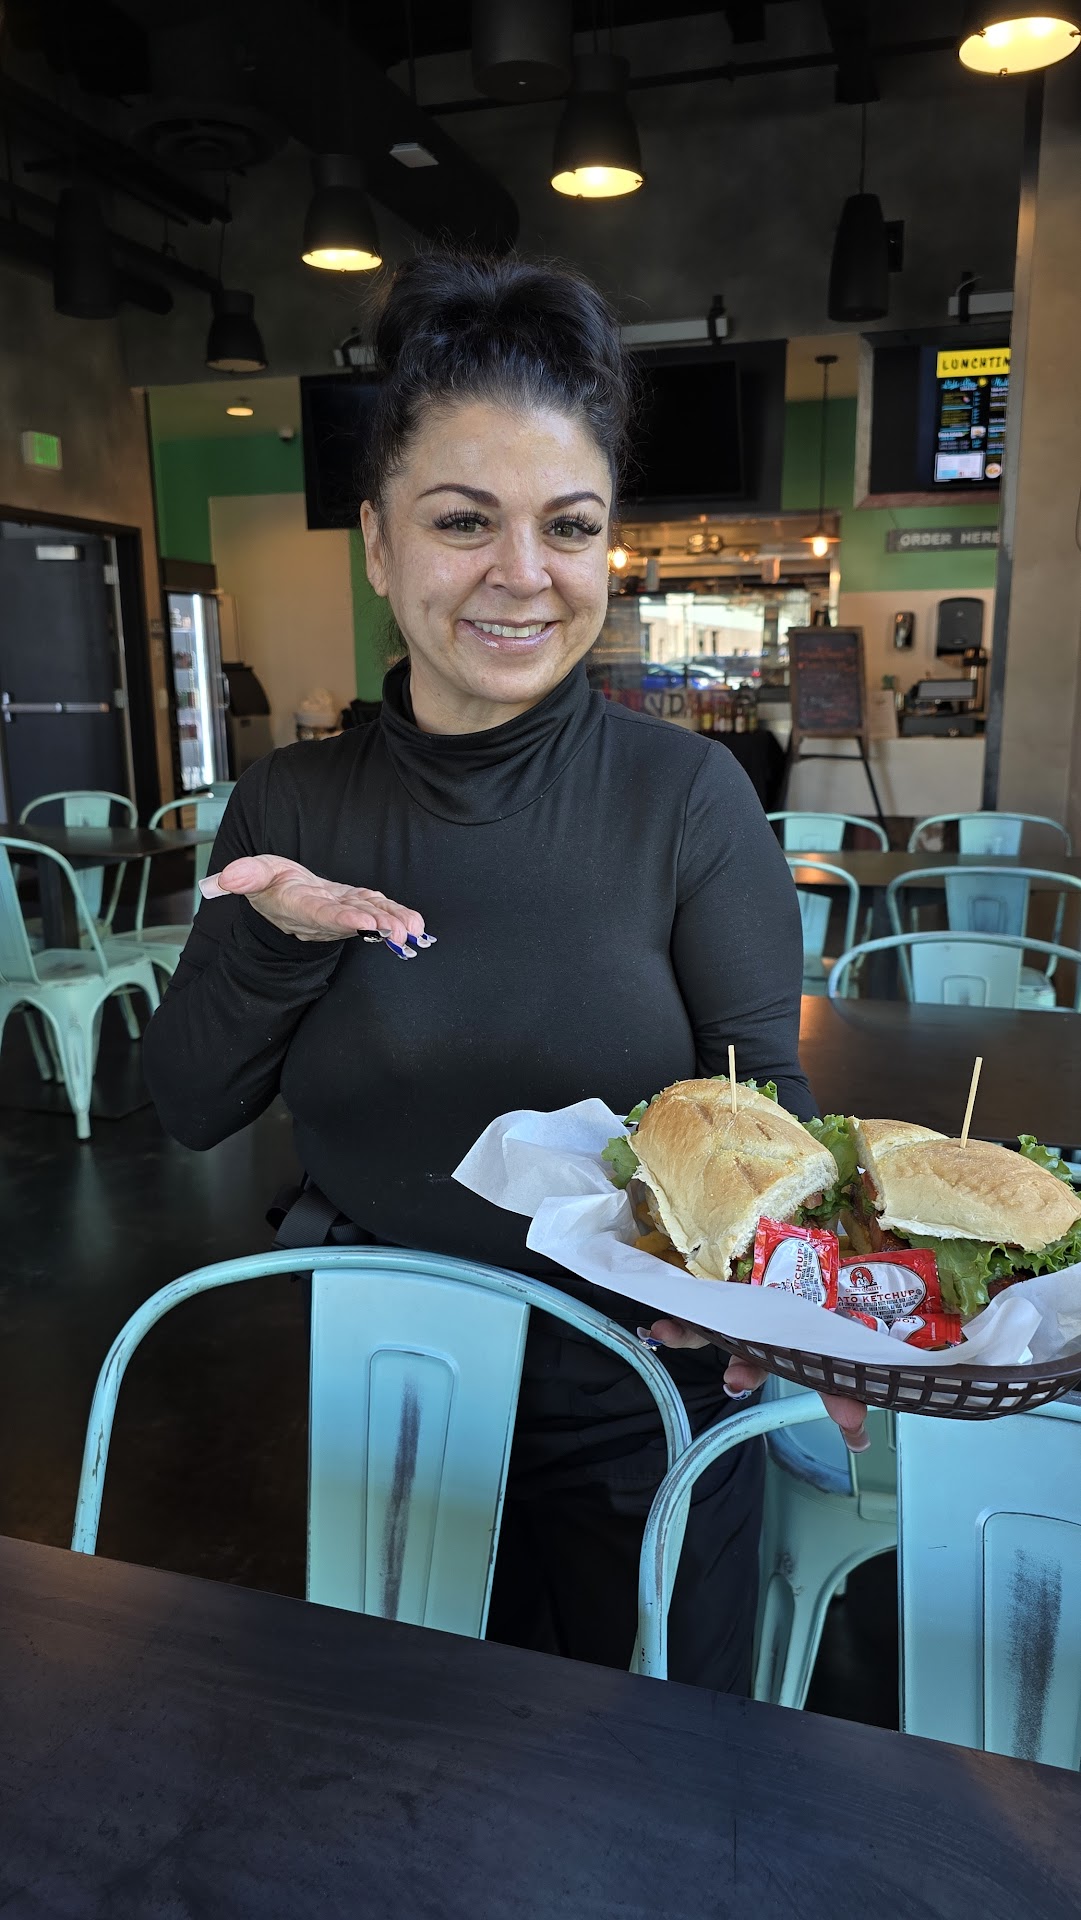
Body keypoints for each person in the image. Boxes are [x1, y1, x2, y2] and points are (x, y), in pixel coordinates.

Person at [143, 252, 866, 1692]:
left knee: (661, 1756)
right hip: (391, 1379)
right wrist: (281, 944)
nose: (522, 574)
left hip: (645, 1384)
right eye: (463, 521)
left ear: (606, 546)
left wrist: (801, 1300)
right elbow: (188, 1103)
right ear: (378, 544)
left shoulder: (687, 798)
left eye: (568, 526)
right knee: (408, 1743)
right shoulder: (292, 806)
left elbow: (763, 1101)